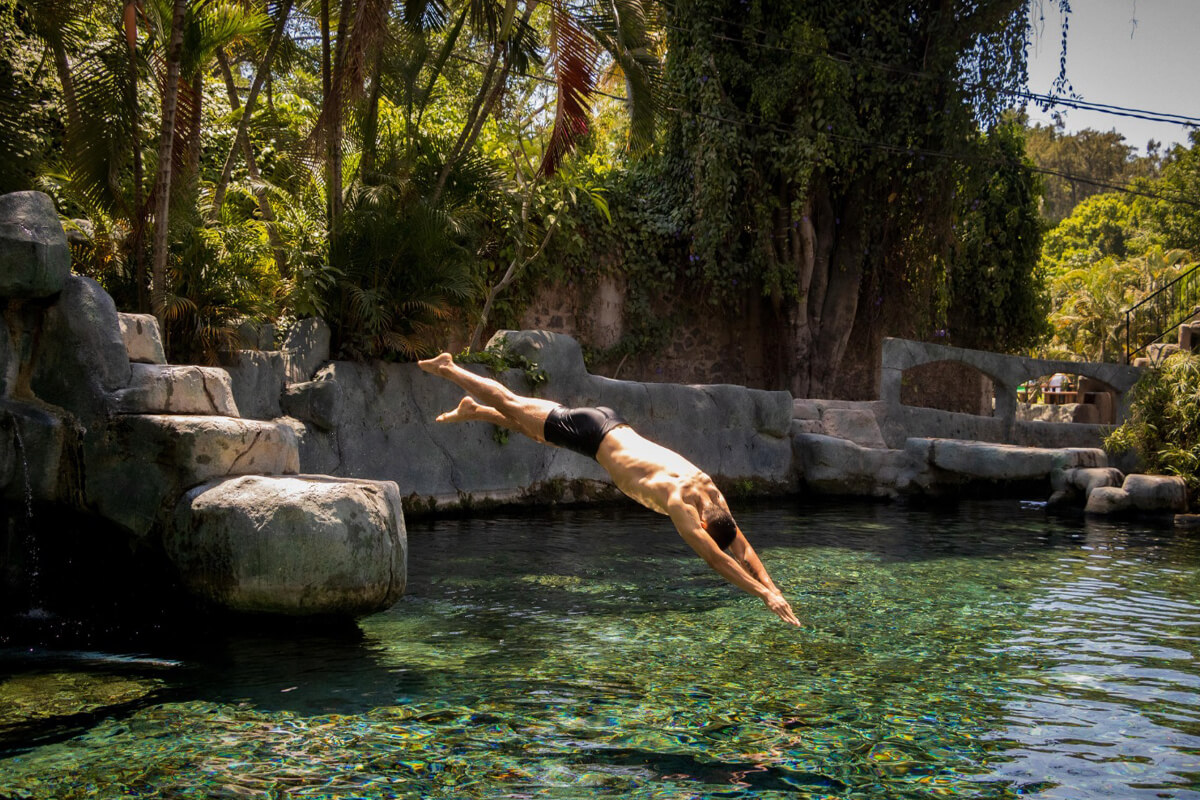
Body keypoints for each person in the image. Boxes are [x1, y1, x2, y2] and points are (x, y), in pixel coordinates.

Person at [418, 353, 801, 627]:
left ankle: (474, 410)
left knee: (537, 433)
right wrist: (763, 595)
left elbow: (742, 548)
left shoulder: (712, 493)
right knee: (512, 402)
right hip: (593, 433)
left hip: (608, 426)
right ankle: (450, 368)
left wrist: (774, 588)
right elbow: (719, 560)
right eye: (705, 534)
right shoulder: (678, 505)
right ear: (702, 524)